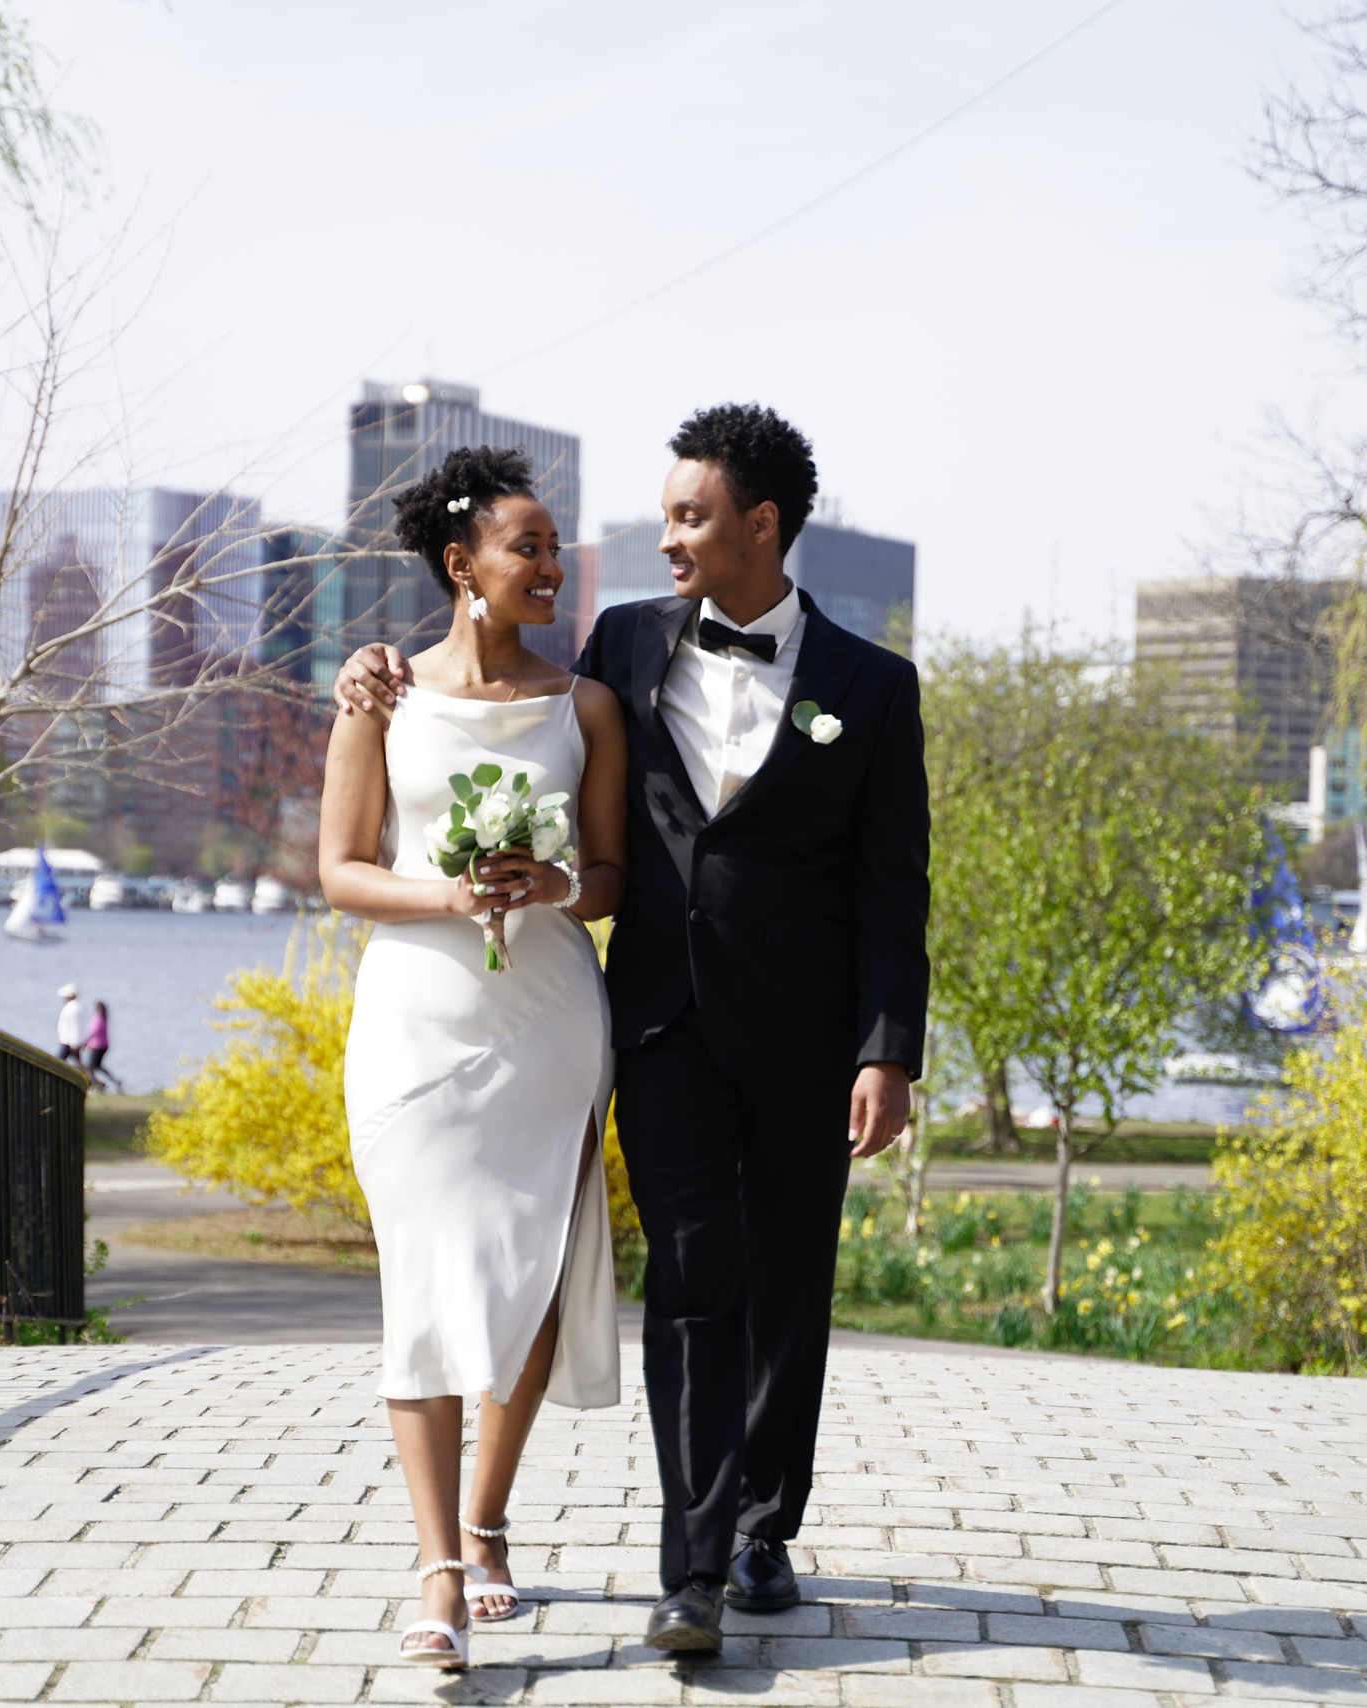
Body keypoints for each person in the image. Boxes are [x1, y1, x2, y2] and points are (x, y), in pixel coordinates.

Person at [337, 404, 928, 1653]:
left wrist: (890, 1049)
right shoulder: (622, 643)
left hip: (806, 1037)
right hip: (659, 1024)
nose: (662, 539)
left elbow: (893, 887)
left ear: (758, 526)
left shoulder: (873, 687)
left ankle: (768, 1522)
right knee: (695, 1283)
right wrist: (369, 668)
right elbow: (490, 704)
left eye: (687, 517)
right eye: (664, 514)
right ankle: (692, 1568)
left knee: (787, 1289)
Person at [320, 445, 630, 1670]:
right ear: (463, 566)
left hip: (548, 1017)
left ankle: (490, 1521)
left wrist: (558, 881)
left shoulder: (584, 704)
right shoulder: (377, 696)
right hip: (414, 1026)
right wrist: (447, 898)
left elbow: (610, 878)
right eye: (529, 548)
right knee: (425, 1285)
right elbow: (341, 869)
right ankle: (439, 1563)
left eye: (556, 550)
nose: (552, 567)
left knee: (532, 1273)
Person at [83, 1000, 120, 1091]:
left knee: (91, 1066)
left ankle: (98, 1084)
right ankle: (110, 1082)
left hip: (98, 1046)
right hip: (101, 1045)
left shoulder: (98, 1018)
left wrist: (85, 1043)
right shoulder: (102, 1018)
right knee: (96, 1066)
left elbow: (94, 1032)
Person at [53, 983, 84, 1067]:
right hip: (68, 1041)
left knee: (57, 1064)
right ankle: (90, 1079)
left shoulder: (73, 1008)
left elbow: (75, 1026)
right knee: (79, 1064)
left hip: (69, 1043)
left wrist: (74, 1044)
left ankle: (91, 1079)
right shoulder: (72, 1006)